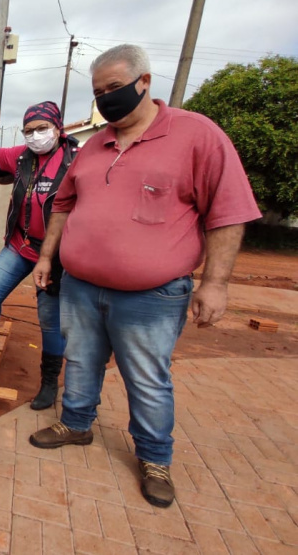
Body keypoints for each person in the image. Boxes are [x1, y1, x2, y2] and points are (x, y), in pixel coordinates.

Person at [27, 44, 261, 508]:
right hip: (81, 286)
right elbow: (64, 204)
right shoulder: (95, 144)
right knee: (81, 360)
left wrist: (215, 283)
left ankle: (155, 458)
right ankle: (76, 424)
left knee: (148, 378)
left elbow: (228, 212)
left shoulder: (197, 135)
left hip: (151, 296)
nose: (106, 98)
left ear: (145, 82)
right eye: (99, 92)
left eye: (114, 87)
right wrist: (46, 258)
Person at [0, 101, 78, 414]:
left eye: (42, 128)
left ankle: (49, 381)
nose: (35, 135)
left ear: (58, 128)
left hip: (56, 256)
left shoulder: (77, 159)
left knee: (50, 321)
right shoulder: (22, 156)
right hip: (19, 246)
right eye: (28, 130)